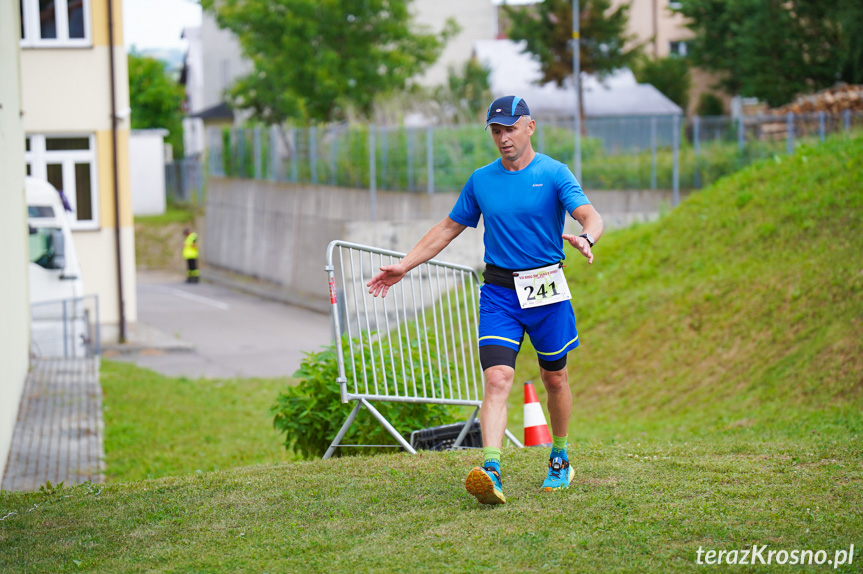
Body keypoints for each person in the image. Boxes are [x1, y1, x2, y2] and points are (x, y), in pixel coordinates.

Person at [367, 95, 604, 505]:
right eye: (496, 130)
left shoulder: (553, 173)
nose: (503, 138)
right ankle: (491, 468)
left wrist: (586, 237)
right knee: (497, 378)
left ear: (530, 127)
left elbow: (590, 215)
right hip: (499, 292)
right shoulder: (481, 180)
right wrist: (404, 265)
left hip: (546, 289)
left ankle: (560, 457)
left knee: (555, 378)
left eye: (510, 128)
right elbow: (447, 228)